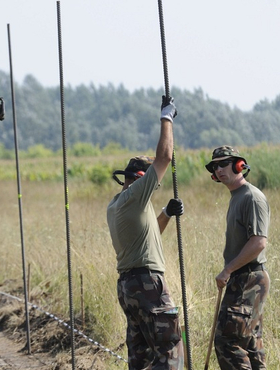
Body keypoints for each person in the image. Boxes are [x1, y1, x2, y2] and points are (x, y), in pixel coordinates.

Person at [107, 96, 184, 370]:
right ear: (140, 180)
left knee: (141, 357)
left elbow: (147, 239)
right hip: (148, 284)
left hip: (129, 287)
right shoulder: (136, 195)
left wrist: (165, 213)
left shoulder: (118, 204)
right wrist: (167, 116)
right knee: (170, 350)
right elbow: (164, 157)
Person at [205, 145, 270, 370]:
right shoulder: (237, 196)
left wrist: (228, 269)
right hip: (243, 278)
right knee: (250, 343)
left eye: (224, 163)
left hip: (248, 278)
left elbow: (259, 242)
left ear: (238, 165)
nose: (220, 169)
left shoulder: (251, 197)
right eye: (215, 166)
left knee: (228, 341)